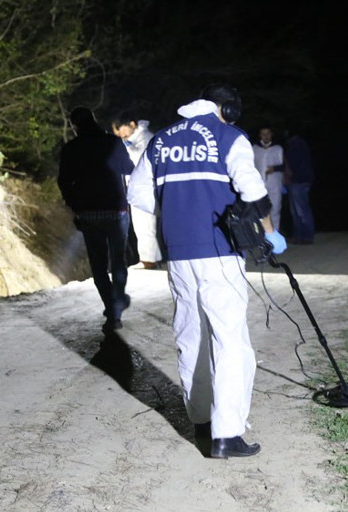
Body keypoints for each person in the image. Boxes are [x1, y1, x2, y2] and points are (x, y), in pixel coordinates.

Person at [127, 83, 287, 459]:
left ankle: (200, 421)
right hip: (218, 250)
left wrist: (180, 208)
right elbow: (252, 190)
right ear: (227, 109)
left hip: (178, 253)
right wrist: (270, 233)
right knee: (230, 339)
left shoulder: (162, 140)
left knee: (191, 333)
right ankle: (226, 434)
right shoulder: (229, 135)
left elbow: (138, 196)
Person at [58, 106, 134, 331]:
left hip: (89, 213)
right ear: (94, 119)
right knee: (118, 261)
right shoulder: (112, 142)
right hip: (116, 210)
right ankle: (117, 303)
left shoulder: (71, 149)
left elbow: (64, 182)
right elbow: (129, 168)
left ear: (74, 125)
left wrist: (75, 206)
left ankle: (112, 312)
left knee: (99, 266)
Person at [112, 114, 164, 269]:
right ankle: (150, 258)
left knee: (145, 224)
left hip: (146, 188)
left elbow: (140, 160)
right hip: (139, 188)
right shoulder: (136, 138)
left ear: (132, 124)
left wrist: (125, 148)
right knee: (141, 225)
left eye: (121, 131)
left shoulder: (146, 137)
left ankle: (150, 260)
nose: (121, 135)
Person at [282, 129, 316, 244]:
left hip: (298, 181)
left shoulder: (295, 145)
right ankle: (301, 235)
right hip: (300, 181)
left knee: (300, 210)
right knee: (299, 209)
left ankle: (305, 236)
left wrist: (288, 176)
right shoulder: (298, 144)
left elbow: (294, 165)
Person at [252, 125, 284, 231]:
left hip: (275, 183)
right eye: (263, 134)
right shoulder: (255, 148)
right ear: (260, 135)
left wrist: (275, 168)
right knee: (260, 210)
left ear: (271, 135)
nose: (265, 136)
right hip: (259, 184)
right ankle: (261, 237)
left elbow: (284, 165)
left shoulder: (278, 148)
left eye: (268, 134)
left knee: (275, 209)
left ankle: (275, 234)